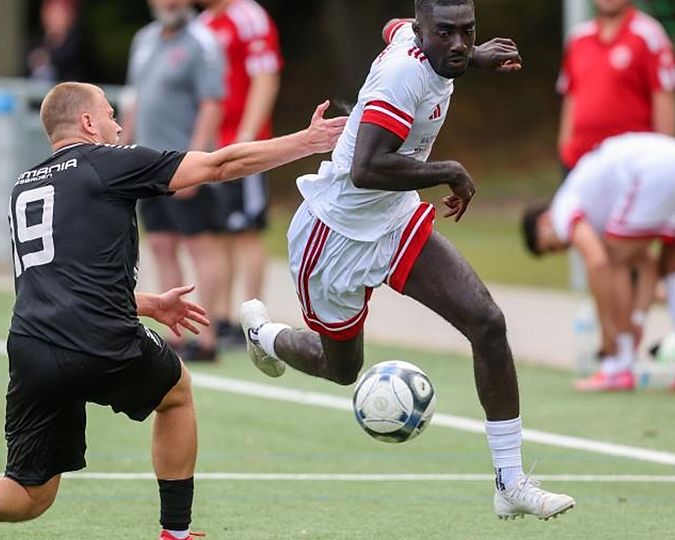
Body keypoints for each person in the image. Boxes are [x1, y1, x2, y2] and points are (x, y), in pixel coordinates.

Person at [0, 82, 345, 540]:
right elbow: (219, 164)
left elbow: (63, 280)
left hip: (32, 344)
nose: (118, 125)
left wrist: (148, 304)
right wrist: (308, 141)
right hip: (97, 336)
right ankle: (176, 532)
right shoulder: (109, 163)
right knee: (176, 393)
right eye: (110, 115)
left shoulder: (22, 185)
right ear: (88, 123)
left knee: (31, 492)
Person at [239, 0, 575, 521]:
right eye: (447, 33)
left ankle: (510, 482)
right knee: (340, 368)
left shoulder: (419, 42)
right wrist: (450, 170)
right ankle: (266, 337)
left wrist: (475, 58)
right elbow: (366, 168)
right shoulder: (402, 78)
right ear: (424, 32)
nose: (459, 43)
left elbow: (391, 25)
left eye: (468, 31)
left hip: (393, 221)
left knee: (487, 322)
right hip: (335, 238)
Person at [522, 133, 675, 392]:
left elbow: (598, 262)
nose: (564, 248)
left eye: (551, 247)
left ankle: (618, 367)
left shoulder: (562, 208)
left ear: (543, 223)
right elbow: (648, 264)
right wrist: (637, 320)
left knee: (615, 259)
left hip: (662, 170)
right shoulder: (594, 203)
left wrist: (608, 332)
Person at [120, 0, 226, 361]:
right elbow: (134, 100)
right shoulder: (145, 39)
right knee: (162, 245)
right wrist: (118, 151)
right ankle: (175, 335)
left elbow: (212, 104)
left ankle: (208, 338)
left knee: (199, 246)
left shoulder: (202, 40)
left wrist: (197, 164)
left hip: (182, 163)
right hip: (146, 164)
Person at [198, 0, 283, 345]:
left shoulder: (247, 16)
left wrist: (248, 139)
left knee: (245, 230)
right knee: (217, 232)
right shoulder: (203, 23)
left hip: (242, 145)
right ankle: (222, 318)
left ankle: (253, 323)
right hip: (212, 148)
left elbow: (265, 78)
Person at [557, 0, 675, 174]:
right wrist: (564, 151)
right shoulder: (578, 38)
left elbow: (664, 98)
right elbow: (571, 98)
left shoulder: (649, 34)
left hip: (631, 165)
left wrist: (662, 161)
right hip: (580, 163)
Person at [25, 0, 91, 83]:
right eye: (50, 12)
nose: (54, 17)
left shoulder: (80, 44)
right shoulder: (36, 42)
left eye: (59, 13)